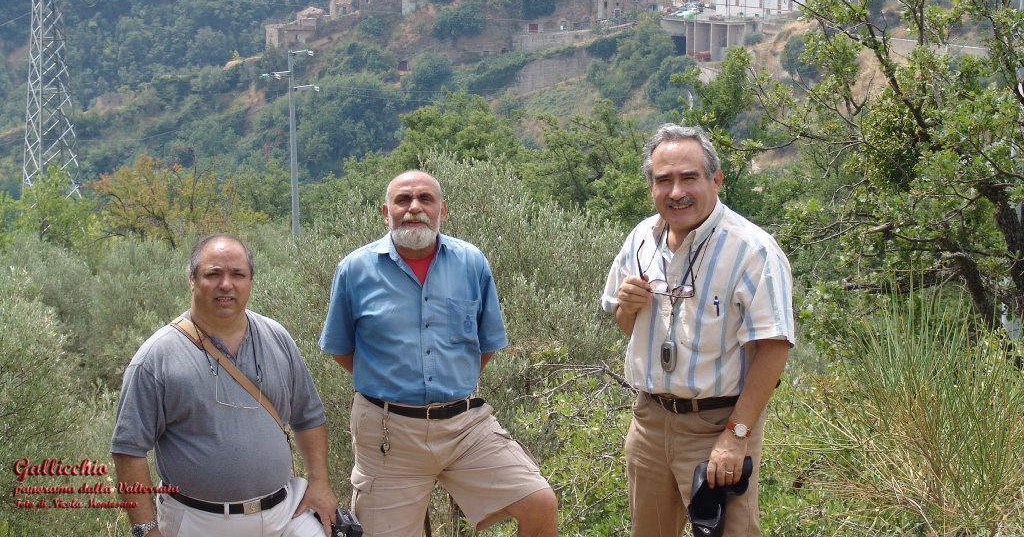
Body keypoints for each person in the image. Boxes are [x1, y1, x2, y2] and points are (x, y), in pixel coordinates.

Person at [319, 169, 558, 537]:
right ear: (386, 212)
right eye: (403, 200)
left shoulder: (471, 262)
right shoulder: (355, 269)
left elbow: (485, 343)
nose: (414, 207)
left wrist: (451, 383)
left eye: (425, 199)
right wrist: (392, 383)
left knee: (539, 503)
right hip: (388, 432)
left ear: (442, 210)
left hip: (464, 427)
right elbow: (340, 348)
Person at [601, 124, 795, 537]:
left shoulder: (752, 250)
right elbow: (625, 325)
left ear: (715, 179)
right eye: (663, 180)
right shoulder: (640, 239)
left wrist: (736, 434)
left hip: (718, 423)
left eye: (689, 177)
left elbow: (774, 347)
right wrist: (628, 308)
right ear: (650, 186)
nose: (676, 192)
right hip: (650, 418)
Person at [111, 233, 338, 537]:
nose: (226, 284)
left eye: (237, 275)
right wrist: (146, 530)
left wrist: (320, 483)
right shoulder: (155, 358)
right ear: (192, 279)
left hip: (285, 515)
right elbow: (128, 450)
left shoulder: (277, 337)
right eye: (213, 274)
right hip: (198, 523)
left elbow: (308, 416)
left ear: (250, 282)